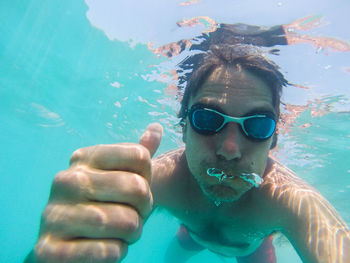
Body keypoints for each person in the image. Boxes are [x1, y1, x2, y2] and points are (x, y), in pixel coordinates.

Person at [25, 40, 350, 263]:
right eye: (207, 119)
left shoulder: (290, 200)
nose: (230, 149)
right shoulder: (158, 180)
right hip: (188, 236)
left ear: (273, 140)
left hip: (252, 251)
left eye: (258, 126)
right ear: (183, 128)